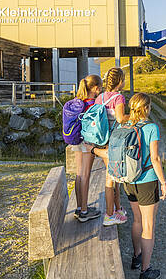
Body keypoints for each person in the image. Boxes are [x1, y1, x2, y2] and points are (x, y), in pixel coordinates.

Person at [123, 93, 166, 279]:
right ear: (146, 108)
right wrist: (163, 182)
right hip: (147, 181)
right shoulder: (151, 128)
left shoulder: (124, 125)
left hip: (129, 181)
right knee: (148, 226)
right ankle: (145, 271)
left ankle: (136, 257)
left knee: (137, 221)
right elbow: (155, 159)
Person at [89, 67, 129, 226]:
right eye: (123, 79)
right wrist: (132, 116)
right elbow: (120, 119)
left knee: (115, 176)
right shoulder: (118, 98)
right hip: (113, 142)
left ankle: (118, 209)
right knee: (110, 178)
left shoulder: (100, 97)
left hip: (102, 139)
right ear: (119, 81)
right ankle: (109, 215)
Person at [72, 74, 102, 222]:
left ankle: (79, 207)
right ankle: (84, 212)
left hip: (76, 140)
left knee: (79, 173)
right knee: (85, 174)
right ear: (95, 88)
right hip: (87, 142)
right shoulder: (91, 104)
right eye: (100, 89)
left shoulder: (78, 102)